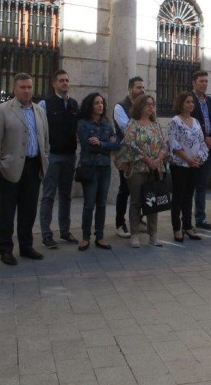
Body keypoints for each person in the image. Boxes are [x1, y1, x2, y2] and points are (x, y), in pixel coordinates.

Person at [0, 73, 49, 265]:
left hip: (34, 166)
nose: (26, 90)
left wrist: (44, 157)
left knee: (29, 210)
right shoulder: (3, 109)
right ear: (15, 89)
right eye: (22, 87)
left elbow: (45, 139)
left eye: (29, 87)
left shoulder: (39, 111)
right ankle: (5, 250)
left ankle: (26, 246)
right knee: (7, 212)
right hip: (11, 168)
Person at [120, 94, 168, 247]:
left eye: (152, 104)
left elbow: (164, 145)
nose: (150, 107)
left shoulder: (156, 125)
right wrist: (148, 159)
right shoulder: (133, 123)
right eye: (147, 104)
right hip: (138, 168)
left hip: (155, 169)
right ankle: (134, 235)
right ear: (140, 106)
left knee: (153, 201)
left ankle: (153, 235)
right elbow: (130, 143)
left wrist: (158, 159)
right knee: (136, 201)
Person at [39, 69, 79, 248]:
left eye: (67, 80)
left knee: (66, 196)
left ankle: (65, 230)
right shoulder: (45, 104)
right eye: (61, 80)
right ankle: (46, 234)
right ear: (54, 84)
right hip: (53, 156)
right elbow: (40, 129)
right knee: (48, 195)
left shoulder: (74, 104)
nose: (65, 83)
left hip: (70, 155)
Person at [77, 93, 120, 251]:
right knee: (89, 204)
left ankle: (100, 236)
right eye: (96, 103)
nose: (100, 106)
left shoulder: (107, 122)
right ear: (90, 105)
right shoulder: (83, 124)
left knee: (101, 203)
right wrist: (107, 143)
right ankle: (85, 237)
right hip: (89, 167)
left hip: (105, 168)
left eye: (102, 103)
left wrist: (100, 143)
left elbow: (116, 144)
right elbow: (88, 146)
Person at [168, 92, 209, 242]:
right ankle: (176, 228)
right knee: (178, 197)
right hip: (180, 165)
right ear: (180, 104)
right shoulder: (175, 121)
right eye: (187, 102)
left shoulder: (196, 121)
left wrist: (198, 158)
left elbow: (201, 142)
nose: (191, 104)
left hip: (195, 165)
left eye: (192, 102)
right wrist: (188, 159)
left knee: (189, 196)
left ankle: (187, 225)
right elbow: (173, 144)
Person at [113, 76, 145, 238]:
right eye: (138, 87)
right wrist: (144, 130)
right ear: (130, 89)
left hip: (143, 154)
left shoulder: (145, 107)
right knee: (125, 190)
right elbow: (128, 130)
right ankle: (120, 223)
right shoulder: (120, 107)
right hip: (126, 155)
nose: (141, 90)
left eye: (142, 88)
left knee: (140, 189)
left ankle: (138, 221)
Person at [190, 70, 211, 230]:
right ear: (194, 82)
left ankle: (200, 218)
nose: (204, 84)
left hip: (208, 149)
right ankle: (186, 219)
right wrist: (202, 137)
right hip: (193, 149)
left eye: (206, 81)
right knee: (189, 185)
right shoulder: (188, 100)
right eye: (201, 81)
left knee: (202, 184)